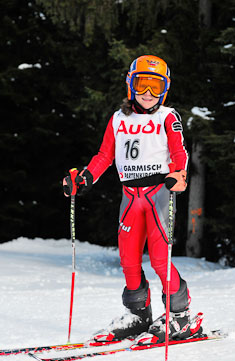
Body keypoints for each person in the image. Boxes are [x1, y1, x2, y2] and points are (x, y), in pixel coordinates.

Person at [63, 55, 203, 344]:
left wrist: (179, 174)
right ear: (130, 84)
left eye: (156, 86)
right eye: (142, 84)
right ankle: (138, 314)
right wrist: (85, 177)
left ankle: (181, 315)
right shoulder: (118, 118)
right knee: (128, 258)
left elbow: (180, 153)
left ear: (165, 89)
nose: (148, 93)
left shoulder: (167, 116)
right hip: (130, 196)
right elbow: (105, 156)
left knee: (159, 259)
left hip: (158, 194)